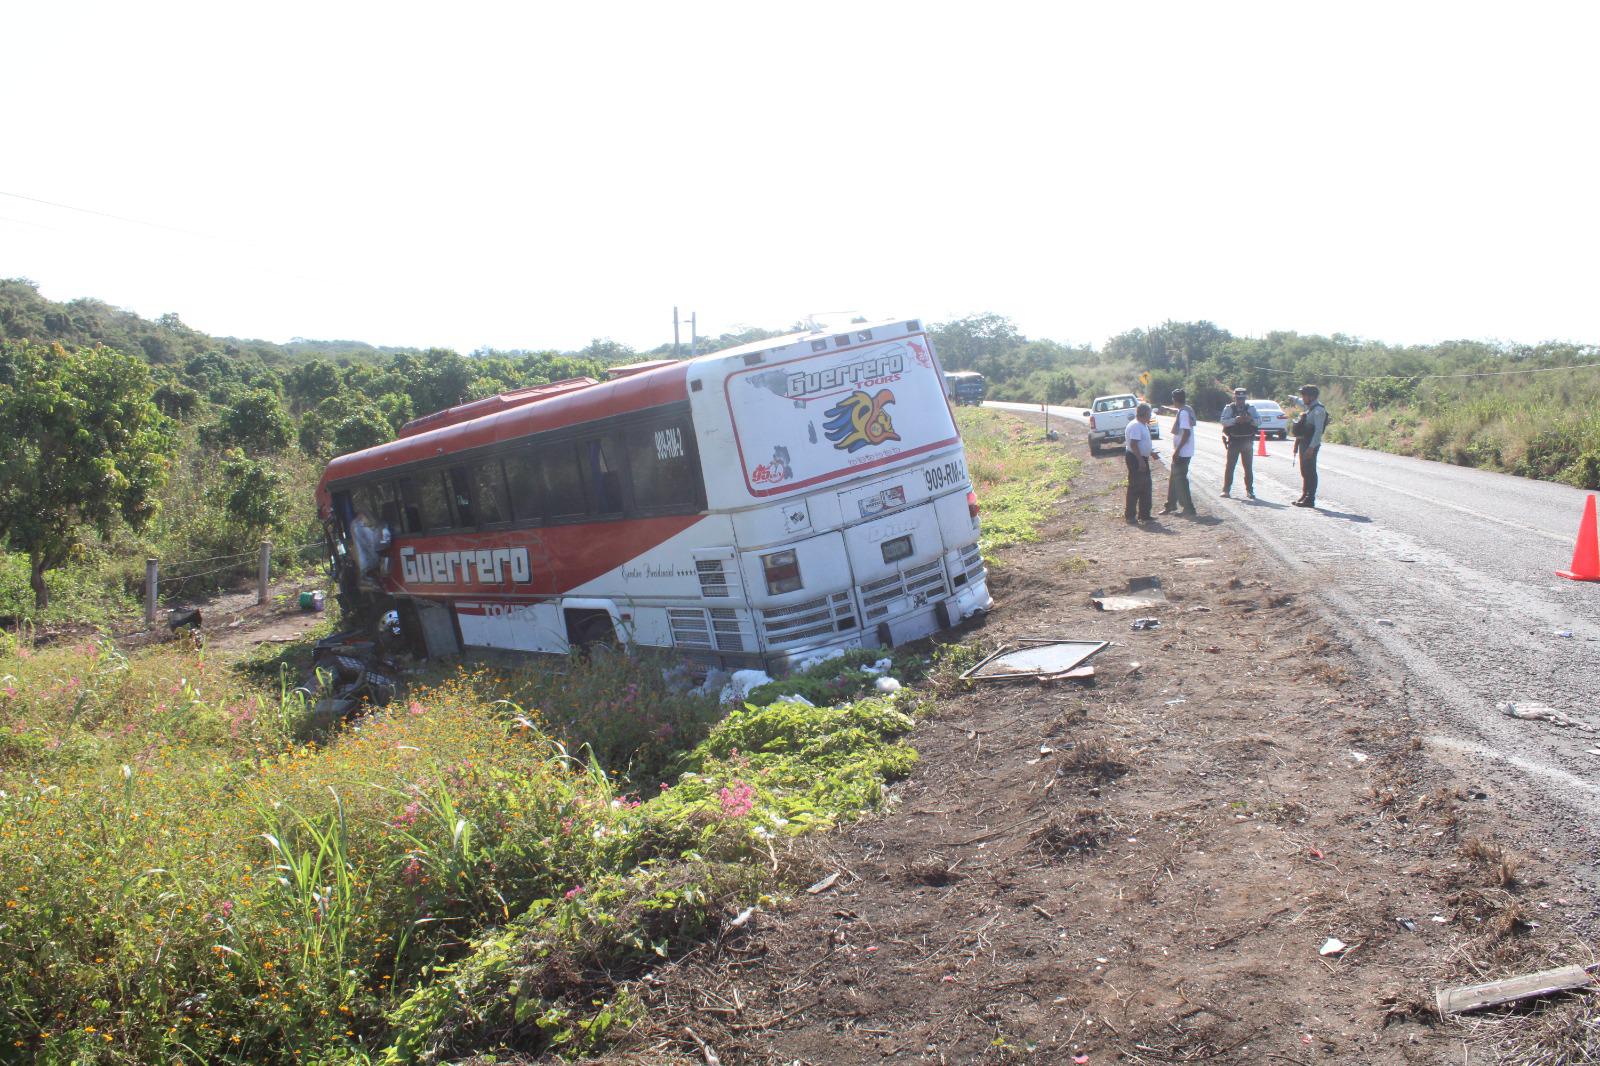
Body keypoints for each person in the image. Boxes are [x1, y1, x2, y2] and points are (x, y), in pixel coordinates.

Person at [1159, 387, 1197, 516]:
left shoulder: (1184, 413)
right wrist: (1168, 409)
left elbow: (1186, 433)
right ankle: (1170, 505)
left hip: (1183, 452)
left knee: (1180, 480)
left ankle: (1188, 508)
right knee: (1175, 478)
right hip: (1185, 451)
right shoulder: (1186, 409)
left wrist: (1177, 450)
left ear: (1174, 400)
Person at [1292, 384, 1329, 507]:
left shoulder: (1318, 410)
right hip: (1304, 442)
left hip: (1311, 443)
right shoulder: (1309, 407)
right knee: (1304, 470)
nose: (1302, 397)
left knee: (1310, 471)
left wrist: (1311, 447)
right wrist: (1293, 398)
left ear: (1312, 397)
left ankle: (1310, 498)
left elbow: (1318, 431)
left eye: (1304, 395)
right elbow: (1300, 402)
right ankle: (1304, 495)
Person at [1219, 387, 1258, 499]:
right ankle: (1226, 490)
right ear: (1234, 397)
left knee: (1248, 468)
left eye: (1242, 398)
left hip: (1247, 441)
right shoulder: (1229, 408)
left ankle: (1250, 491)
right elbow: (1223, 421)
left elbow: (1259, 421)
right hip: (1234, 441)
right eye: (1238, 398)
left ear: (1245, 398)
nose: (1240, 400)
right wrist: (1235, 420)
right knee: (1230, 467)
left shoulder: (1251, 408)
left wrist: (1249, 419)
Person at [1123, 401, 1155, 523]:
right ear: (1144, 413)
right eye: (1149, 413)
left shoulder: (1142, 425)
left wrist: (1150, 452)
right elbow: (1134, 444)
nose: (1150, 416)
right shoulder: (1136, 425)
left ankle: (1144, 514)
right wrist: (1140, 461)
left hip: (1140, 458)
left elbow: (1142, 444)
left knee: (1146, 486)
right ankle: (1130, 516)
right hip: (1135, 459)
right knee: (1135, 486)